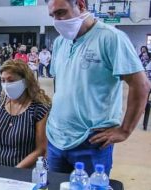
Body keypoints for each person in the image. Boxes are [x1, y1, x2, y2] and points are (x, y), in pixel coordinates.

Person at [46, 0, 151, 175]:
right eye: (53, 16)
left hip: (91, 141)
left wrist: (125, 130)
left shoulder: (110, 37)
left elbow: (141, 85)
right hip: (56, 138)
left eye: (61, 12)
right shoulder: (59, 42)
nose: (57, 21)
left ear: (80, 5)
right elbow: (62, 83)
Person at [0, 60, 51, 167]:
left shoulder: (38, 108)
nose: (6, 85)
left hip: (25, 171)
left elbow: (41, 150)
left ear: (25, 81)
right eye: (3, 81)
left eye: (11, 80)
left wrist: (15, 171)